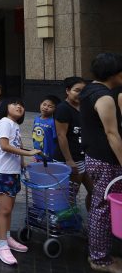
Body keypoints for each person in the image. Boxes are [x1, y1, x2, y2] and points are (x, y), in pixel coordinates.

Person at [80, 53, 122, 273]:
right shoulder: (104, 97)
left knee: (100, 205)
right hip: (105, 160)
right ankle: (99, 258)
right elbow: (112, 134)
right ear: (114, 73)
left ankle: (99, 252)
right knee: (102, 208)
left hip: (95, 157)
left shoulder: (88, 89)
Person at [0, 98, 40, 265]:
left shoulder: (14, 125)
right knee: (4, 209)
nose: (19, 106)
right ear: (5, 108)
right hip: (3, 172)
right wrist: (28, 153)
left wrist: (21, 163)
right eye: (14, 104)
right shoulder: (5, 122)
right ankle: (2, 246)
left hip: (12, 172)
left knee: (8, 209)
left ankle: (7, 237)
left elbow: (15, 145)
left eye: (22, 105)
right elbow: (4, 145)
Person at [53, 77, 92, 210]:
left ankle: (93, 222)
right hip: (70, 158)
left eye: (83, 91)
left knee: (94, 191)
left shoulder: (84, 107)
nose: (80, 94)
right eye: (77, 90)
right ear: (68, 91)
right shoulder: (63, 109)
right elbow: (61, 136)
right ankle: (64, 224)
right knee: (70, 195)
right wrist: (69, 160)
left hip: (84, 157)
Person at [31, 95, 60, 161]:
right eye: (44, 104)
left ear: (55, 109)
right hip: (37, 154)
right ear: (40, 104)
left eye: (50, 106)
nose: (46, 107)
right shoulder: (36, 119)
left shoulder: (53, 122)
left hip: (48, 156)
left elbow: (56, 139)